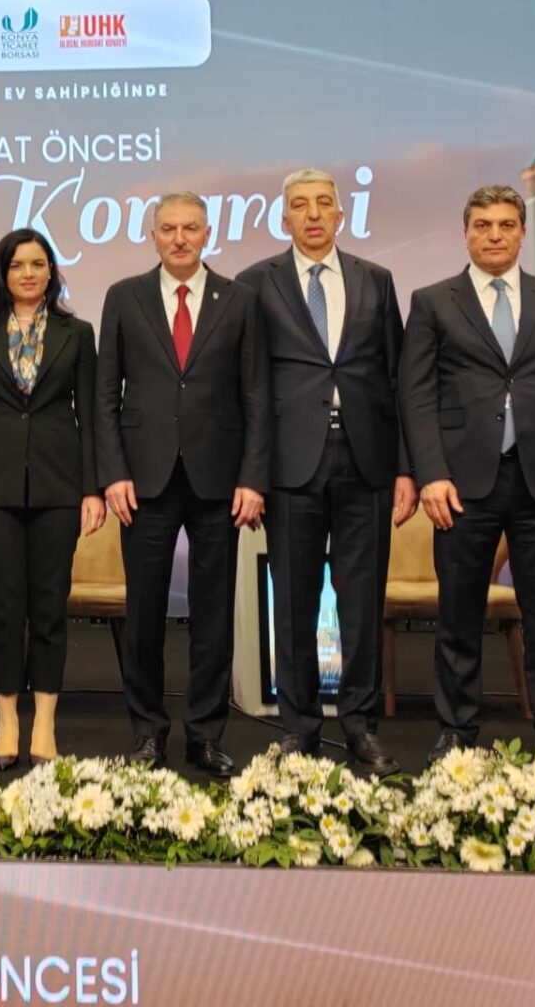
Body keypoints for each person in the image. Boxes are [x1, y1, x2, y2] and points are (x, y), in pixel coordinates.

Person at [399, 185, 535, 774]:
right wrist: (431, 474)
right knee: (458, 615)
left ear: (522, 233)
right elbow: (415, 397)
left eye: (506, 224)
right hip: (461, 486)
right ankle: (457, 730)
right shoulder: (433, 302)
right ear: (465, 232)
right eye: (483, 225)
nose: (495, 235)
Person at [240, 169, 416, 774]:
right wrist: (252, 475)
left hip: (366, 460)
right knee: (294, 602)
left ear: (341, 215)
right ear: (283, 217)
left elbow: (397, 379)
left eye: (323, 204)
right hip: (290, 464)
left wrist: (405, 468)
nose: (313, 214)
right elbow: (248, 387)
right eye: (300, 205)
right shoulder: (255, 283)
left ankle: (361, 726)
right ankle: (300, 727)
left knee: (361, 601)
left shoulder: (376, 280)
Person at [96, 191, 269, 777]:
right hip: (143, 481)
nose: (179, 238)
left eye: (190, 227)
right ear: (153, 236)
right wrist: (112, 472)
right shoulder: (124, 297)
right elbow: (105, 394)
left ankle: (205, 735)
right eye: (168, 228)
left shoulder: (239, 300)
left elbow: (255, 395)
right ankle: (147, 733)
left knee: (213, 615)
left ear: (206, 233)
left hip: (220, 479)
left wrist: (253, 477)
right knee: (143, 615)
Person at [0, 229, 103, 770]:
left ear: (51, 272)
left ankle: (45, 722)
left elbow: (91, 416)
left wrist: (92, 488)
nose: (29, 273)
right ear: (2, 273)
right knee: (4, 605)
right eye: (18, 265)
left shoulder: (77, 333)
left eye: (38, 264)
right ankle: (7, 720)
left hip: (60, 487)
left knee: (49, 606)